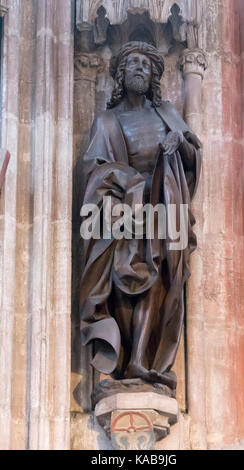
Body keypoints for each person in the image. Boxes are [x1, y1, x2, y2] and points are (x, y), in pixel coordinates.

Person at [79, 41, 201, 391]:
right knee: (126, 280)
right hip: (123, 210)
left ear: (154, 77)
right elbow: (92, 169)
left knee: (160, 277)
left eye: (147, 66)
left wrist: (180, 142)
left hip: (164, 206)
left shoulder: (167, 114)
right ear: (120, 72)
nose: (139, 69)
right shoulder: (108, 120)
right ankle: (123, 360)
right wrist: (127, 185)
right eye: (132, 63)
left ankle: (141, 362)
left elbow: (194, 156)